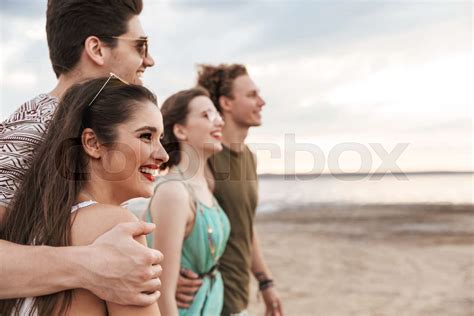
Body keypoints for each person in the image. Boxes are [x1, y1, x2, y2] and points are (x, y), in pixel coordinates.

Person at [0, 0, 161, 304]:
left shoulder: (77, 123)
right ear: (97, 49)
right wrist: (90, 265)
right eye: (140, 46)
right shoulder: (33, 129)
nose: (149, 60)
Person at [0, 76, 168, 315]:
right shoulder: (117, 228)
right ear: (93, 143)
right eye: (145, 136)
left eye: (160, 139)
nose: (163, 155)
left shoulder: (29, 229)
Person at [176, 64, 284, 315]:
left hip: (238, 295)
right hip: (206, 299)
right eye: (252, 95)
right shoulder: (206, 157)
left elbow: (244, 224)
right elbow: (166, 213)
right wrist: (166, 276)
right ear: (226, 103)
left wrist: (265, 281)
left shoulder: (249, 158)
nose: (262, 102)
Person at [145, 87, 230, 315]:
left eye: (217, 115)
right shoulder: (174, 192)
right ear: (181, 130)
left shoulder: (204, 185)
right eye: (206, 115)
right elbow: (162, 293)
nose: (219, 122)